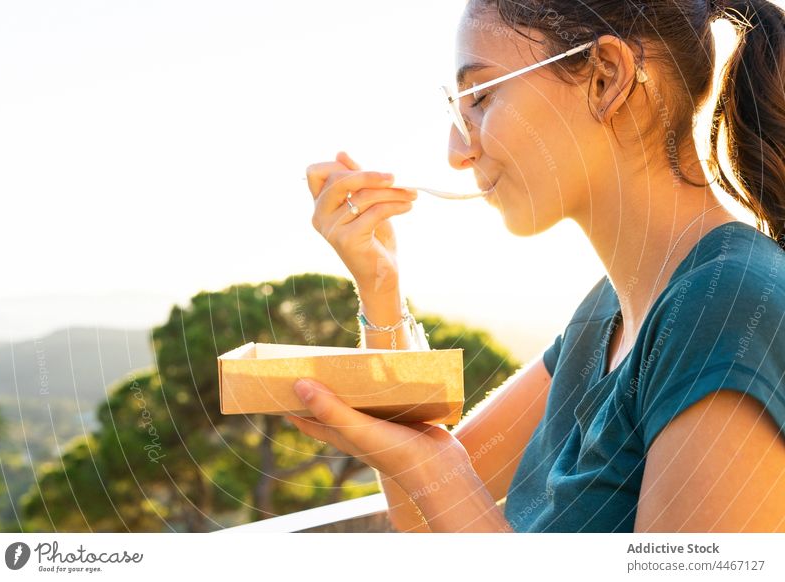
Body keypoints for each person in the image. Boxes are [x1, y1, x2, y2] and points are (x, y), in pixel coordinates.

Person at [293, 0, 785, 532]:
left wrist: (433, 462)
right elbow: (421, 508)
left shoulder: (726, 309)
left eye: (479, 97)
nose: (457, 151)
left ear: (605, 78)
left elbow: (436, 479)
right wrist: (381, 286)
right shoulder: (609, 311)